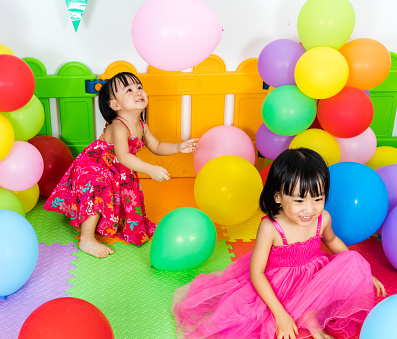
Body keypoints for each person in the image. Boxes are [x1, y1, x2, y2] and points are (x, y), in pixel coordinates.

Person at [172, 148, 386, 339]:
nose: (310, 209)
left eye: (318, 198)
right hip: (281, 285)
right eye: (300, 200)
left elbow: (331, 240)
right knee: (248, 321)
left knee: (354, 259)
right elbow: (257, 273)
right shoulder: (271, 227)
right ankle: (304, 316)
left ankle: (310, 313)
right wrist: (281, 315)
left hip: (315, 279)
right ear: (278, 197)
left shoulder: (323, 218)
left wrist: (363, 271)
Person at [44, 72, 198, 258]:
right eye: (129, 90)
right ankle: (86, 239)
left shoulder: (142, 125)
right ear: (115, 105)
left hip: (117, 170)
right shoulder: (118, 125)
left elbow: (157, 146)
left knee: (130, 199)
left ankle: (120, 224)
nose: (138, 92)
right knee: (98, 190)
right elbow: (123, 156)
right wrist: (151, 169)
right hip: (94, 166)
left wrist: (179, 147)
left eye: (139, 87)